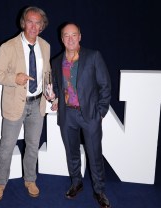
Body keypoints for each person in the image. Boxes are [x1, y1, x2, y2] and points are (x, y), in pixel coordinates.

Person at [0, 6, 52, 201]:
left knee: (33, 145)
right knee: (7, 146)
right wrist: (14, 78)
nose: (34, 26)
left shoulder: (46, 46)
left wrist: (51, 94)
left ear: (42, 26)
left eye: (38, 23)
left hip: (38, 104)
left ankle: (30, 180)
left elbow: (47, 75)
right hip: (15, 105)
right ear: (23, 23)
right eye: (30, 21)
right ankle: (0, 183)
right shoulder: (8, 47)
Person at [51, 23, 111, 208]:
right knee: (72, 153)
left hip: (90, 115)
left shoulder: (93, 56)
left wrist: (100, 111)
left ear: (80, 37)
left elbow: (105, 85)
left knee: (94, 155)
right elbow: (56, 86)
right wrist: (55, 98)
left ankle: (99, 190)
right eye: (66, 35)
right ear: (61, 39)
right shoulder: (56, 61)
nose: (70, 39)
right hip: (67, 114)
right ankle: (76, 183)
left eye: (74, 35)